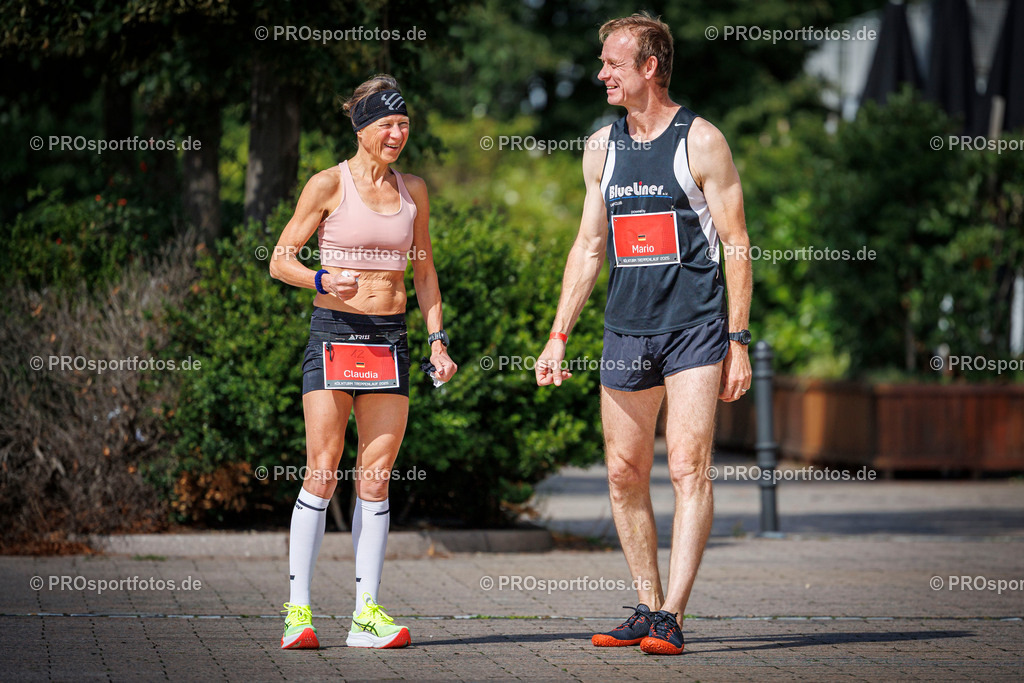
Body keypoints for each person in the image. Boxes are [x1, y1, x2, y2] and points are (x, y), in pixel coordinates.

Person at [535, 13, 752, 656]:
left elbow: (737, 244)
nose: (601, 73)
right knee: (624, 472)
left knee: (687, 467)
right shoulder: (600, 146)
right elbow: (589, 246)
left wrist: (738, 340)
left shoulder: (701, 140)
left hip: (694, 328)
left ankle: (673, 616)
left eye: (613, 63)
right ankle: (647, 604)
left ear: (649, 68)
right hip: (626, 329)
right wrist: (557, 335)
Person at [269, 74, 457, 650]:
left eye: (404, 125)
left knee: (375, 477)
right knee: (323, 470)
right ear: (361, 128)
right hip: (335, 334)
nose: (397, 134)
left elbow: (423, 270)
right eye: (387, 125)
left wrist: (438, 341)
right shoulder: (328, 184)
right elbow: (280, 260)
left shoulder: (413, 189)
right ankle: (298, 613)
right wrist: (322, 278)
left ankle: (366, 616)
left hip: (389, 340)